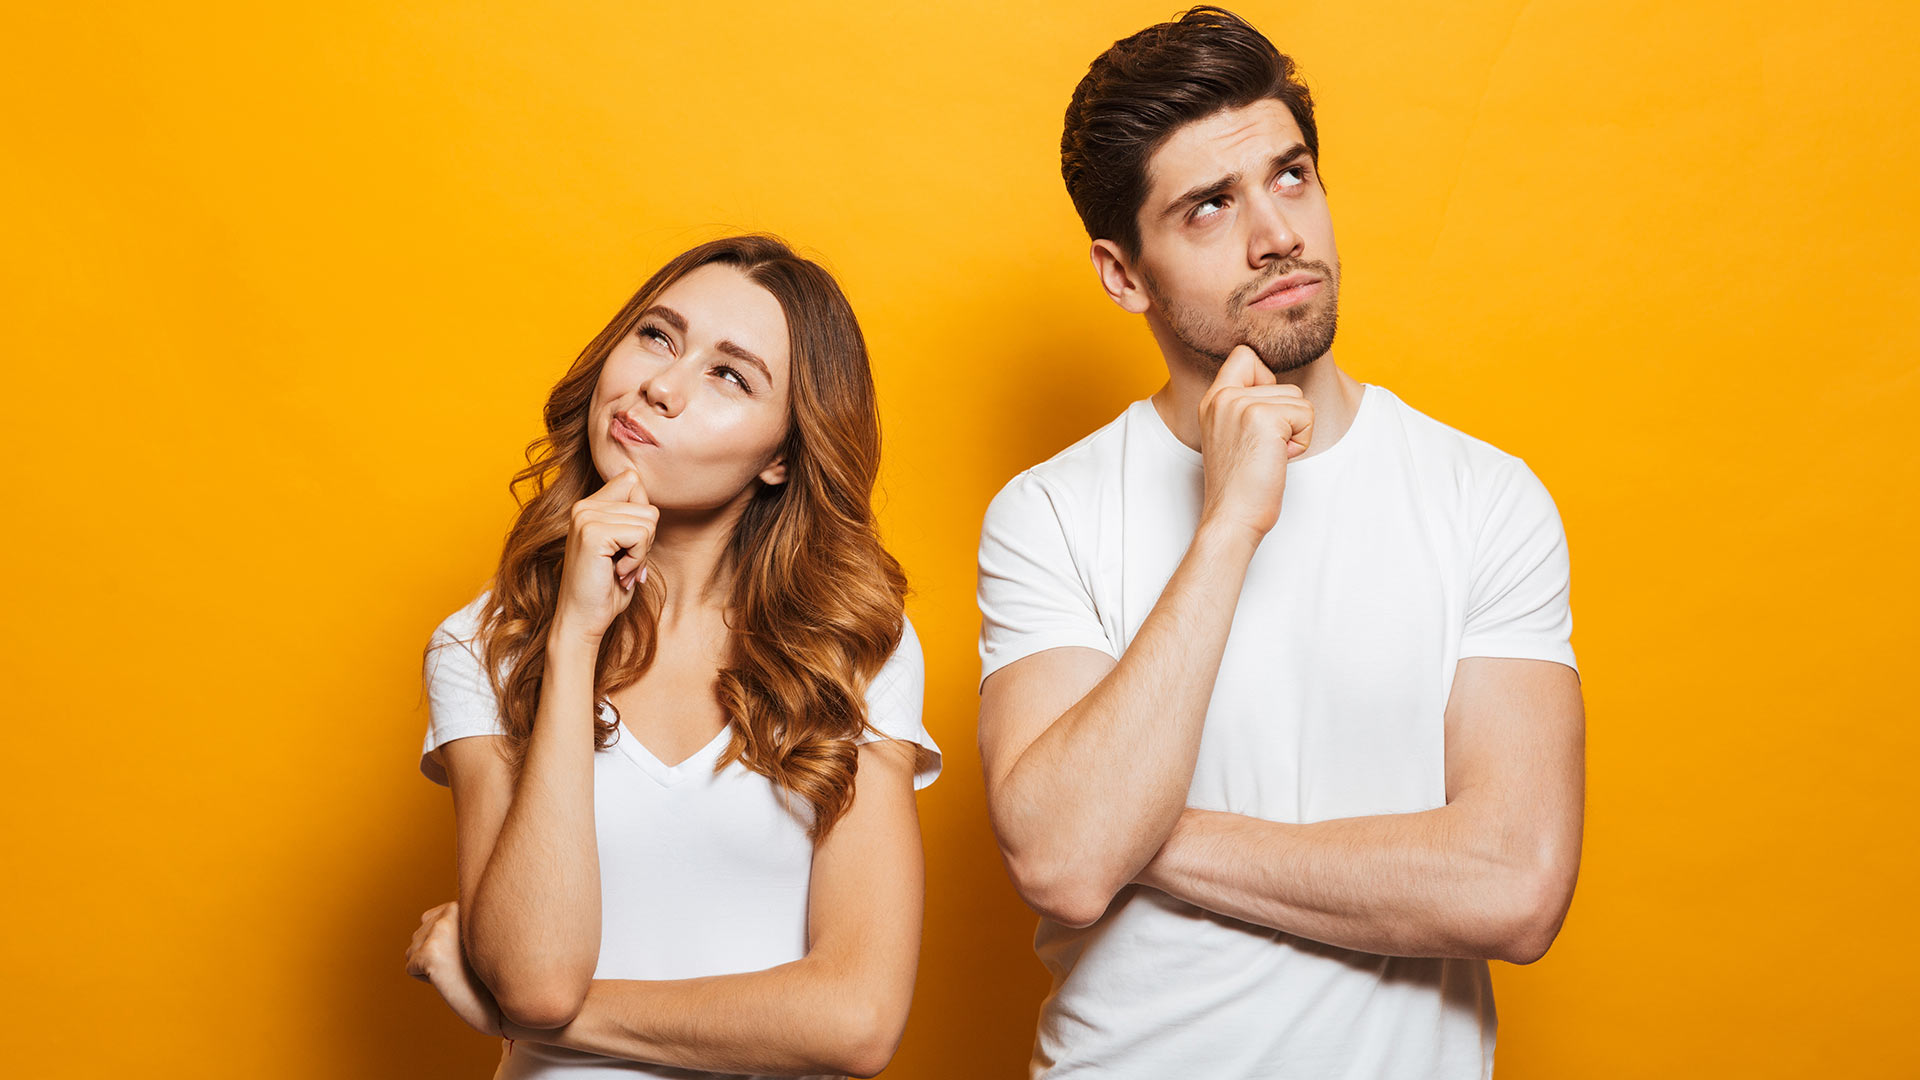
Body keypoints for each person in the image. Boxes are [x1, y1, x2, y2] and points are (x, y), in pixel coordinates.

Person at [975, 8, 1584, 1078]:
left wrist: (1139, 838)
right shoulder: (1050, 512)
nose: (1278, 235)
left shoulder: (1486, 497)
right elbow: (1068, 866)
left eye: (1291, 176)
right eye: (1211, 206)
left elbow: (1516, 886)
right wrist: (1229, 523)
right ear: (1124, 275)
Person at [404, 234, 941, 1080]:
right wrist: (575, 639)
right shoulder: (486, 643)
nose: (661, 385)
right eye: (658, 335)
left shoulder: (852, 647)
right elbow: (539, 980)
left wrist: (525, 1012)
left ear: (780, 457)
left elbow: (857, 1019)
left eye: (731, 375)